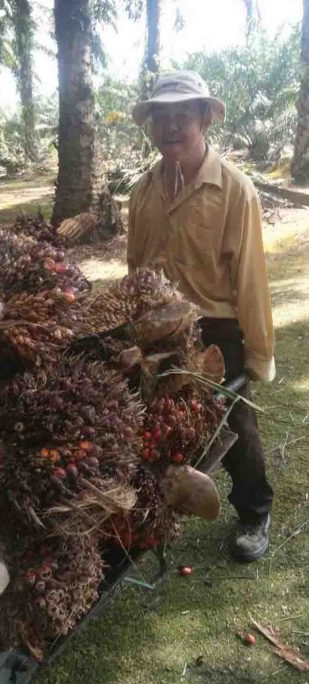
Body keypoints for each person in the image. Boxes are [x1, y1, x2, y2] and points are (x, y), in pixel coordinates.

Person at [127, 70, 275, 562]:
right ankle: (158, 510)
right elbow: (135, 268)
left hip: (215, 328)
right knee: (159, 420)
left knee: (231, 421)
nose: (171, 126)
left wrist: (258, 350)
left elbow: (250, 278)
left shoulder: (235, 190)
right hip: (156, 327)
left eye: (182, 115)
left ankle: (256, 511)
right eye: (161, 117)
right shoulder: (143, 192)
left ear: (205, 118)